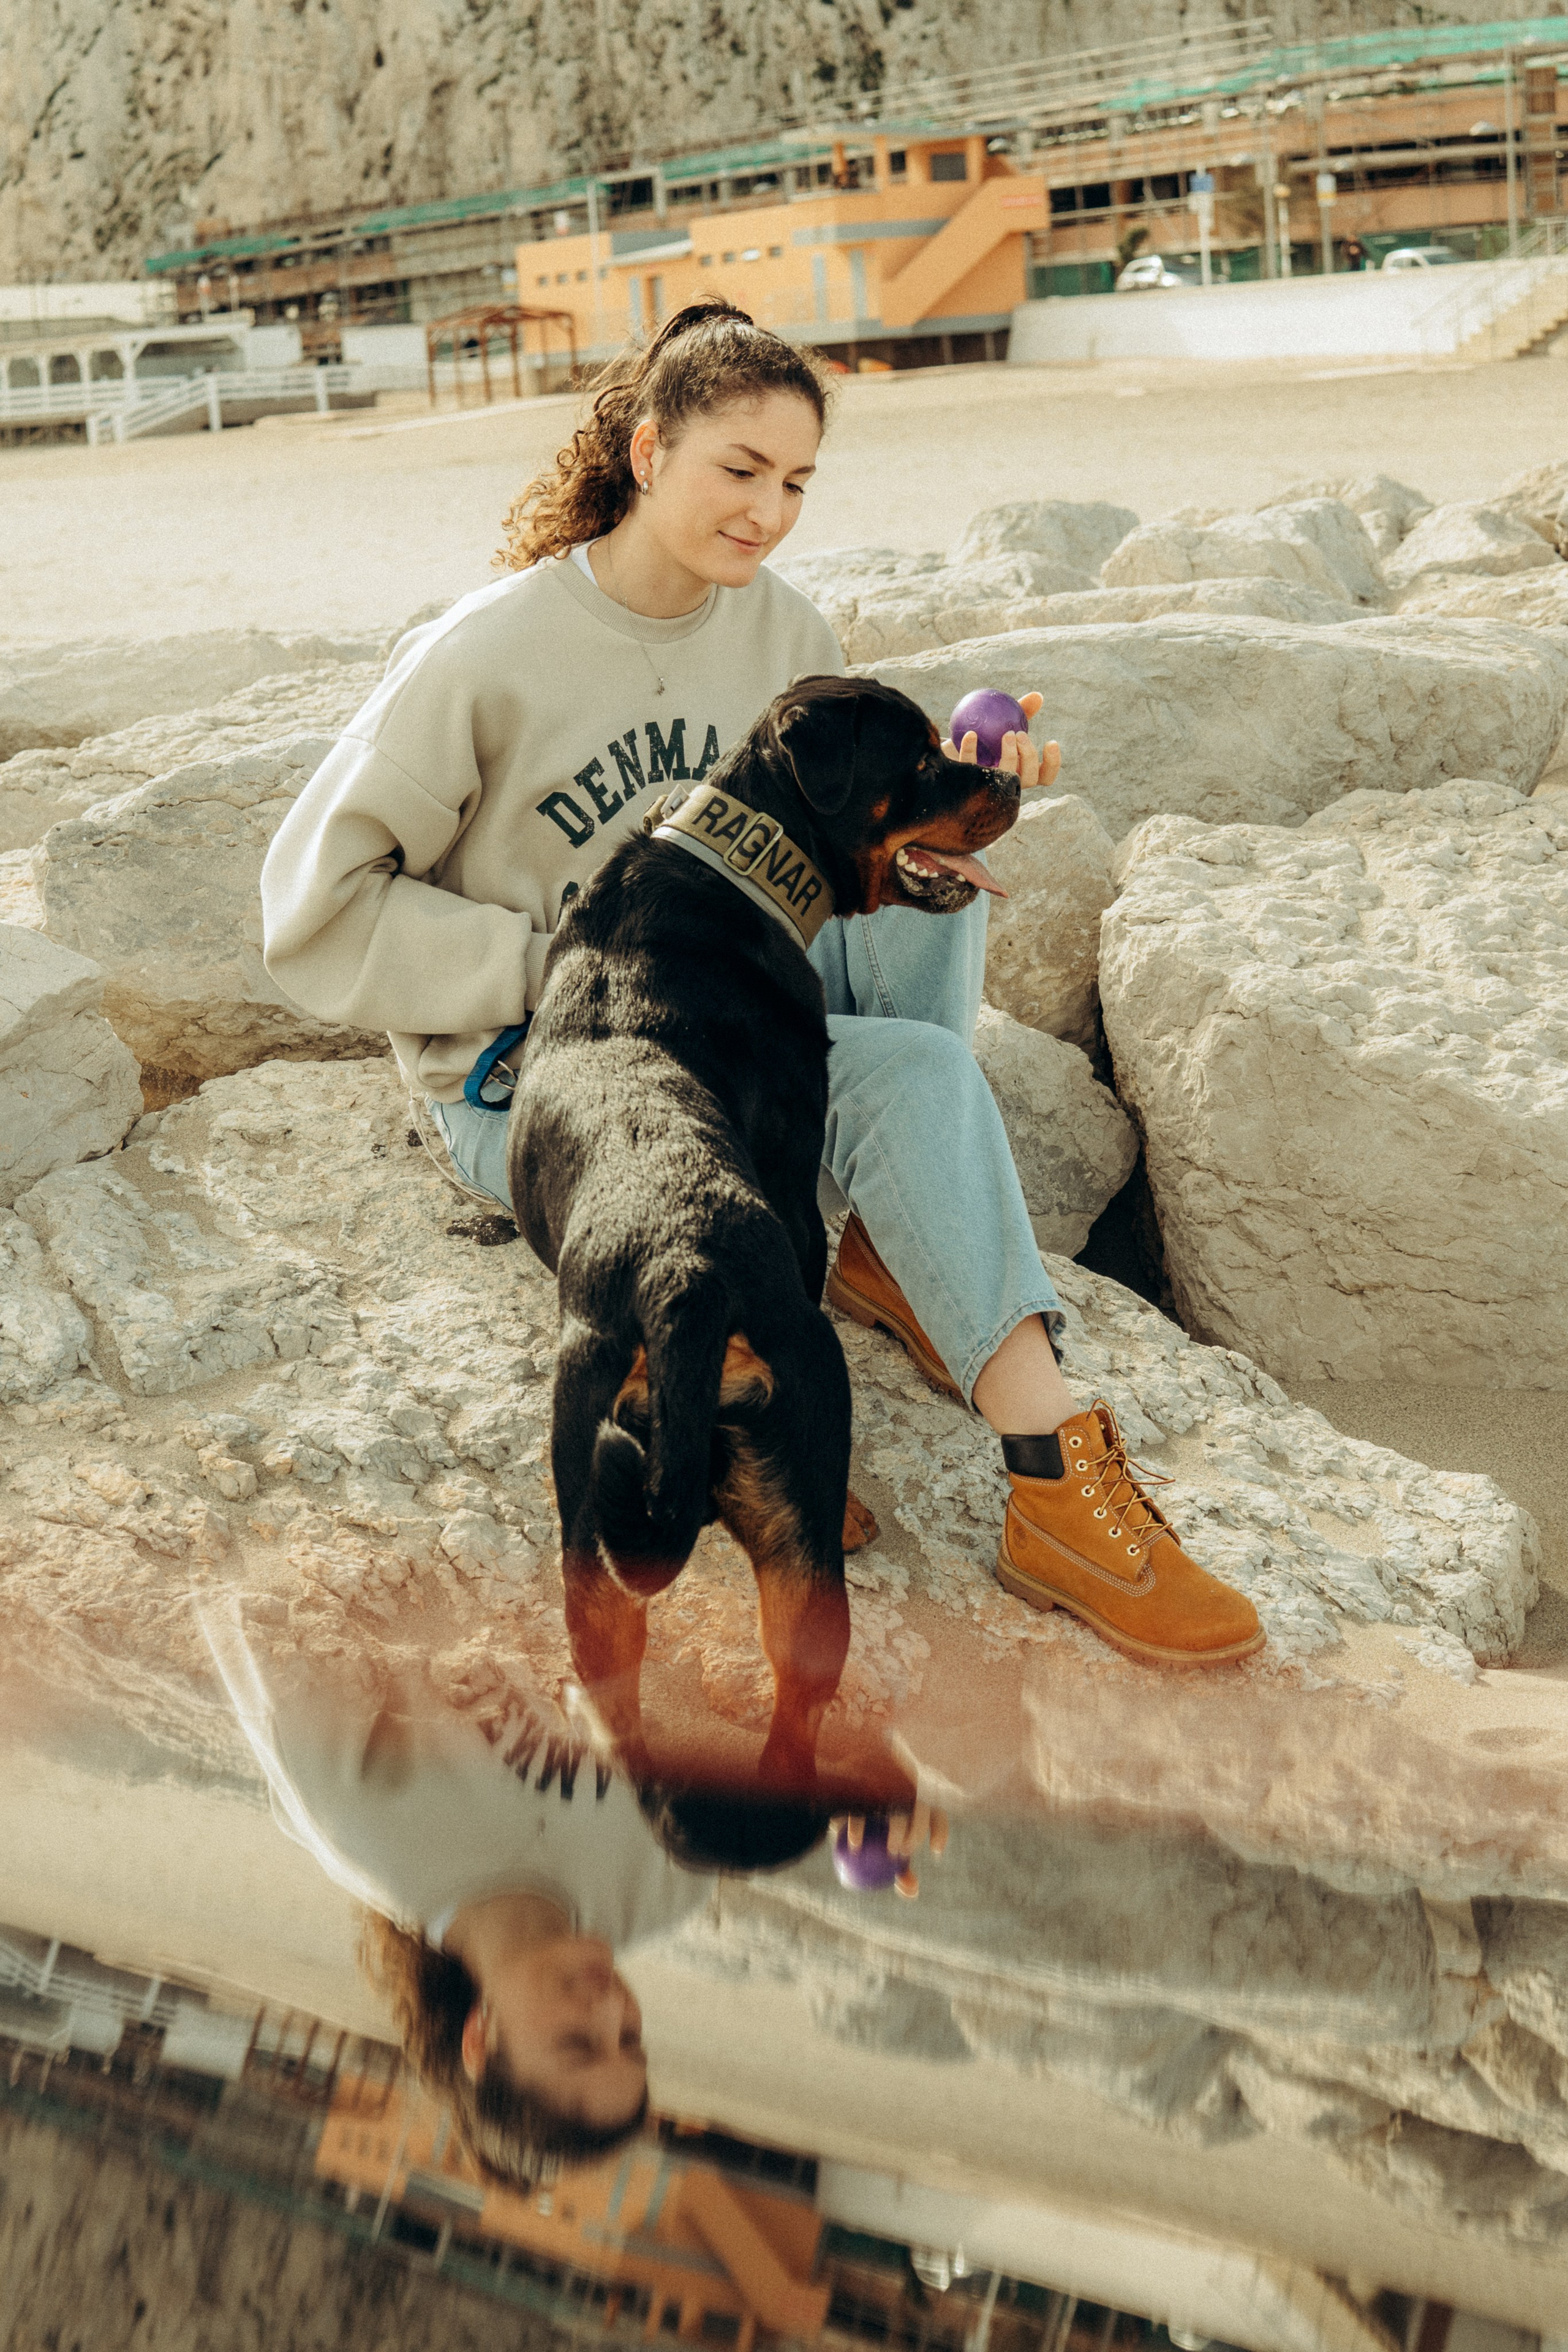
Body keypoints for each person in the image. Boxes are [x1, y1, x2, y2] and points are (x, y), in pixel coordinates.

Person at [260, 296, 1262, 1670]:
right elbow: (313, 914)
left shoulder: (781, 627)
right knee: (914, 1071)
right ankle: (984, 1378)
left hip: (737, 1043)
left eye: (795, 482)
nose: (769, 512)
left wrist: (967, 806)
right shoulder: (486, 655)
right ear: (647, 444)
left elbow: (834, 858)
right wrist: (562, 963)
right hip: (555, 1077)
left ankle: (936, 1330)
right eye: (740, 471)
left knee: (920, 873)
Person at [201, 1604, 940, 2185]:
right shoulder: (664, 1891)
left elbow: (262, 1590)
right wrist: (864, 1782)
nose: (611, 2009)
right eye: (630, 2039)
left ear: (481, 2037)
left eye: (576, 2042)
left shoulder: (363, 1822)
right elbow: (763, 1704)